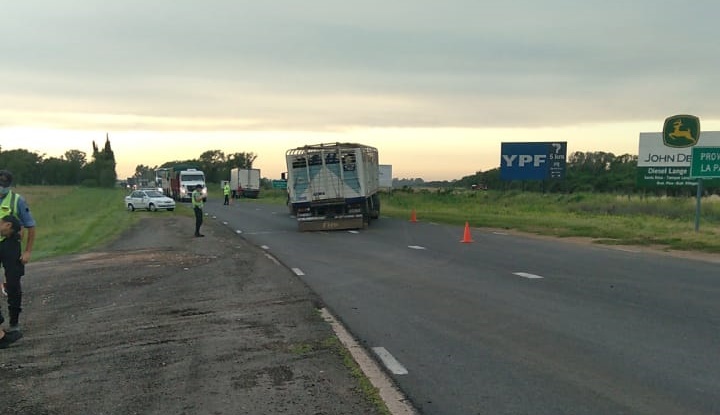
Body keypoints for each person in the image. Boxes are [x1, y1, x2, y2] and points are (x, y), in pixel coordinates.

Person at [0, 169, 36, 341]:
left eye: (4, 185)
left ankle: (14, 322)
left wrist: (28, 251)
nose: (1, 188)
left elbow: (31, 226)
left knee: (13, 284)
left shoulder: (17, 200)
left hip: (10, 245)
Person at [0, 215, 24, 347]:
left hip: (12, 274)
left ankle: (13, 323)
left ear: (8, 225)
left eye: (1, 223)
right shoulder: (7, 243)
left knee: (13, 288)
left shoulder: (10, 244)